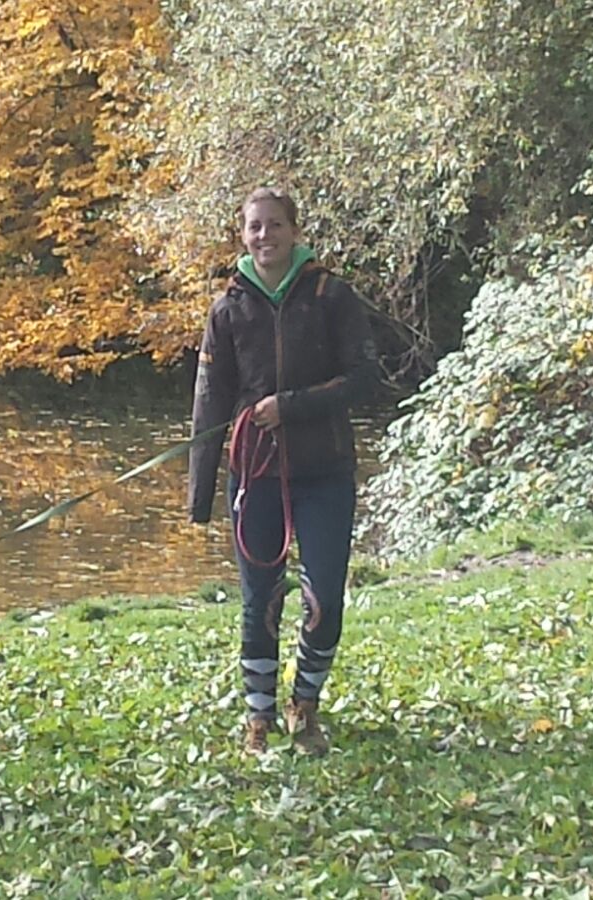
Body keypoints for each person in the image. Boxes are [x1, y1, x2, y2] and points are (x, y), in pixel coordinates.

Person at [188, 186, 382, 756]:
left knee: (323, 599)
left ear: (295, 231)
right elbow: (208, 402)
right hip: (255, 477)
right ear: (242, 236)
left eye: (275, 225)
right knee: (261, 600)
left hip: (325, 471)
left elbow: (364, 378)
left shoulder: (332, 297)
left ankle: (306, 705)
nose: (264, 236)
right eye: (254, 227)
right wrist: (200, 498)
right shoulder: (228, 308)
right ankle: (259, 716)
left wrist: (290, 406)